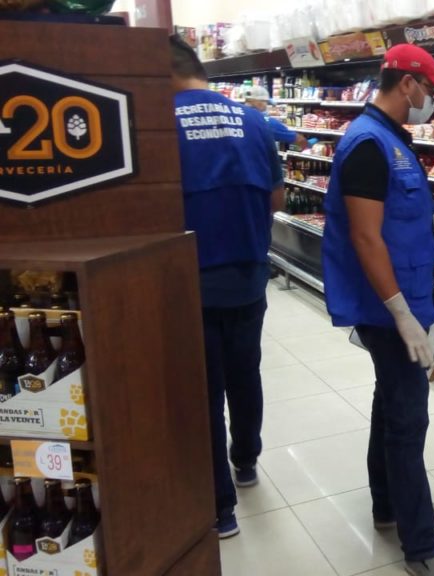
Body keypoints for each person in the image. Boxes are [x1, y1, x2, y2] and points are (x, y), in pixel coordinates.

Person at [321, 44, 434, 576]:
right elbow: (365, 236)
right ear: (408, 84)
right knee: (408, 420)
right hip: (388, 308)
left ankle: (388, 506)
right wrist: (402, 314)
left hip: (407, 298)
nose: (433, 102)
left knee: (390, 403)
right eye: (431, 91)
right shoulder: (368, 144)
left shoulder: (389, 138)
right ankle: (420, 547)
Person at [169, 35, 284, 539]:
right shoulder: (254, 121)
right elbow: (277, 198)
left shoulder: (161, 123)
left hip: (191, 280)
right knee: (245, 372)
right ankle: (247, 459)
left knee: (205, 389)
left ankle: (221, 509)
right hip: (249, 275)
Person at [243, 85, 309, 149]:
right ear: (260, 102)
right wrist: (310, 146)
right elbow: (299, 140)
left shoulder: (239, 118)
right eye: (266, 102)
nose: (266, 105)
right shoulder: (266, 122)